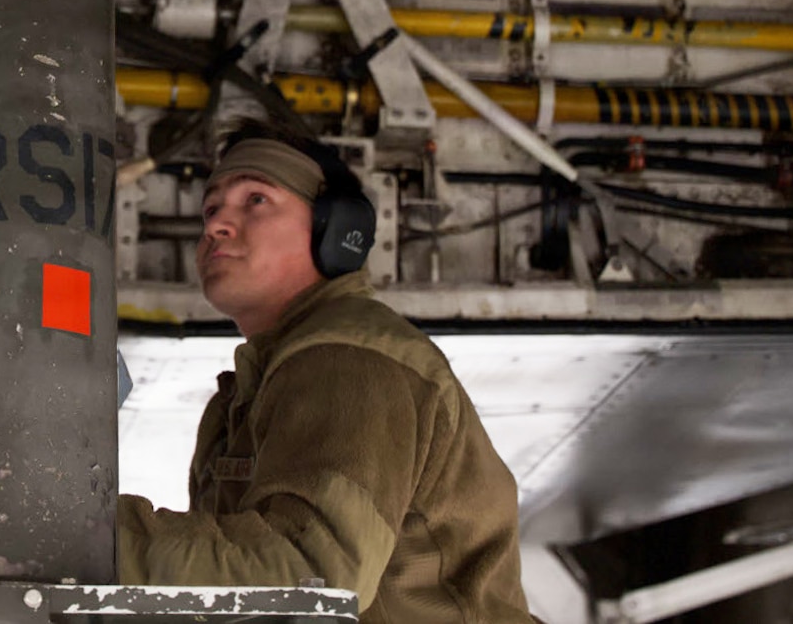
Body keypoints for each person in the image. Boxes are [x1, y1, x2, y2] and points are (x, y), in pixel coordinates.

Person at [117, 125, 537, 624]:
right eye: (211, 209)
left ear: (336, 232)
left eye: (255, 199)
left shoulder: (350, 357)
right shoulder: (243, 397)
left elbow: (312, 582)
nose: (216, 226)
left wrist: (83, 537)